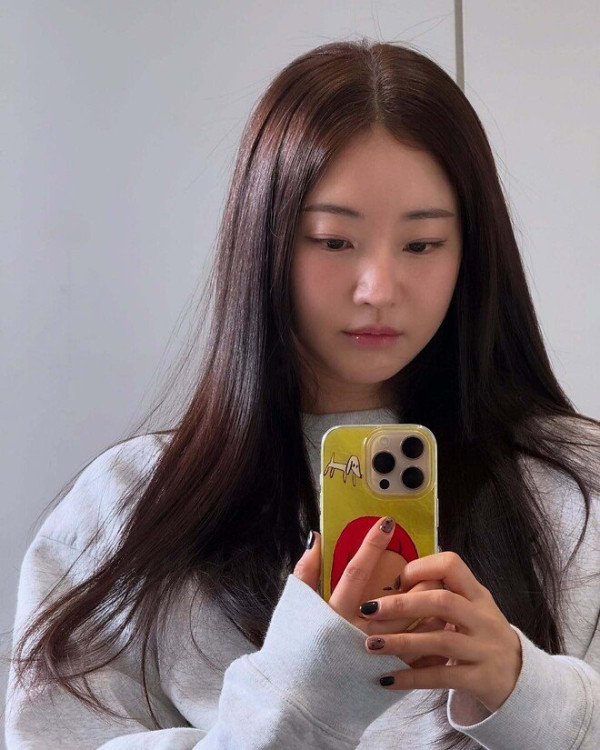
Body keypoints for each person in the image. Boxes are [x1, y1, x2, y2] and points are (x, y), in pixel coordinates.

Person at [5, 38, 600, 749]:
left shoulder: (577, 487)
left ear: (471, 254)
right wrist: (297, 704)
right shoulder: (123, 511)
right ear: (266, 242)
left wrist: (533, 697)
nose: (378, 289)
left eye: (421, 245)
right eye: (333, 241)